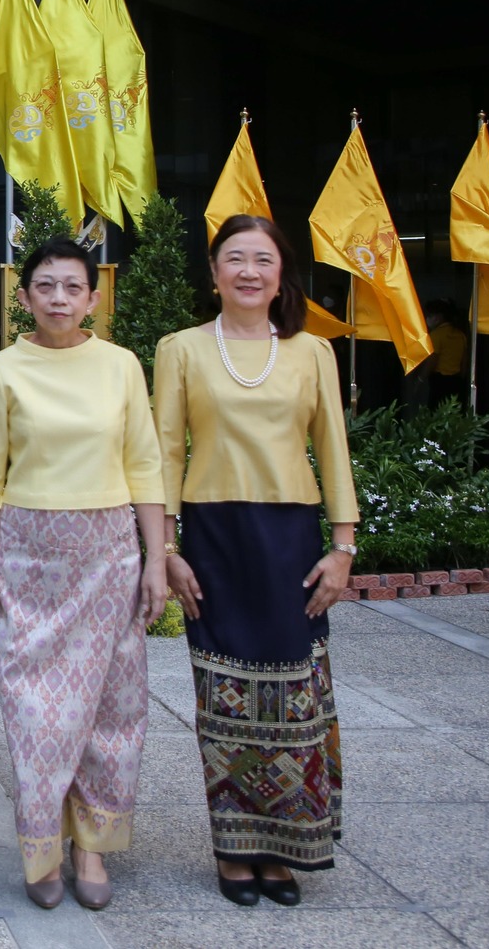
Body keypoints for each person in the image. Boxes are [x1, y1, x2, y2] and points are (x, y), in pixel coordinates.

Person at [153, 214, 357, 908]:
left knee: (297, 698)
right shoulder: (180, 348)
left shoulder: (311, 352)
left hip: (291, 541)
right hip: (213, 539)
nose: (247, 270)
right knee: (224, 700)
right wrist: (166, 548)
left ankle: (287, 846)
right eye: (233, 258)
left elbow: (333, 450)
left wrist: (343, 547)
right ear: (213, 275)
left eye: (261, 259)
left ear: (280, 274)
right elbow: (164, 450)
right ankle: (235, 848)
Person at [0, 237, 164, 912]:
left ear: (94, 296)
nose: (57, 298)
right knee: (36, 711)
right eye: (44, 286)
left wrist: (156, 557)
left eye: (71, 287)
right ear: (23, 297)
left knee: (112, 704)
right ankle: (42, 840)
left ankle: (93, 845)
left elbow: (145, 463)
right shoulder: (3, 370)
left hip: (109, 553)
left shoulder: (120, 366)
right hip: (29, 555)